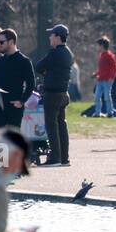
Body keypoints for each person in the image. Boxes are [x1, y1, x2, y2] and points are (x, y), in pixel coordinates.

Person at [36, 23, 74, 166]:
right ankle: (64, 158)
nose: (50, 37)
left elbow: (39, 66)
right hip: (64, 93)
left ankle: (55, 158)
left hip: (52, 94)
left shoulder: (55, 52)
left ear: (58, 37)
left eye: (52, 35)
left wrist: (47, 73)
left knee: (51, 126)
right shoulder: (68, 53)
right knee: (61, 125)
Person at [0, 29, 36, 129]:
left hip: (14, 106)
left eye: (1, 42)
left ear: (11, 42)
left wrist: (22, 101)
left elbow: (31, 84)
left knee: (13, 137)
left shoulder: (24, 61)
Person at [92, 36, 116, 118]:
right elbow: (102, 69)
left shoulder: (109, 55)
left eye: (98, 45)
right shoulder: (101, 55)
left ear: (102, 45)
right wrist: (96, 74)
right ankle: (97, 113)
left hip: (107, 80)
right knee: (97, 96)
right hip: (100, 80)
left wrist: (111, 78)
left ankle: (110, 112)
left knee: (107, 97)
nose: (97, 47)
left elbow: (114, 68)